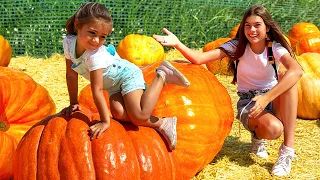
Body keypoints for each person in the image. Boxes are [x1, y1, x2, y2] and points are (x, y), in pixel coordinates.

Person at [153, 4, 303, 176]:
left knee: (290, 79)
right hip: (249, 101)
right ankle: (258, 135)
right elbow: (200, 58)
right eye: (248, 26)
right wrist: (177, 43)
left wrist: (266, 98)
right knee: (274, 129)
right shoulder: (237, 47)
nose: (252, 30)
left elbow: (297, 70)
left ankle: (287, 152)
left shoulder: (272, 48)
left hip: (271, 98)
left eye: (257, 25)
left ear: (267, 27)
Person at [60, 2, 190, 150]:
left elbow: (97, 90)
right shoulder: (68, 43)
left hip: (127, 75)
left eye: (102, 37)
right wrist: (73, 102)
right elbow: (71, 75)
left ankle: (162, 75)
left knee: (139, 116)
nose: (96, 41)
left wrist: (105, 121)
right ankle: (163, 123)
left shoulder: (94, 55)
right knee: (119, 114)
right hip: (113, 85)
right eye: (92, 33)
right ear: (78, 25)